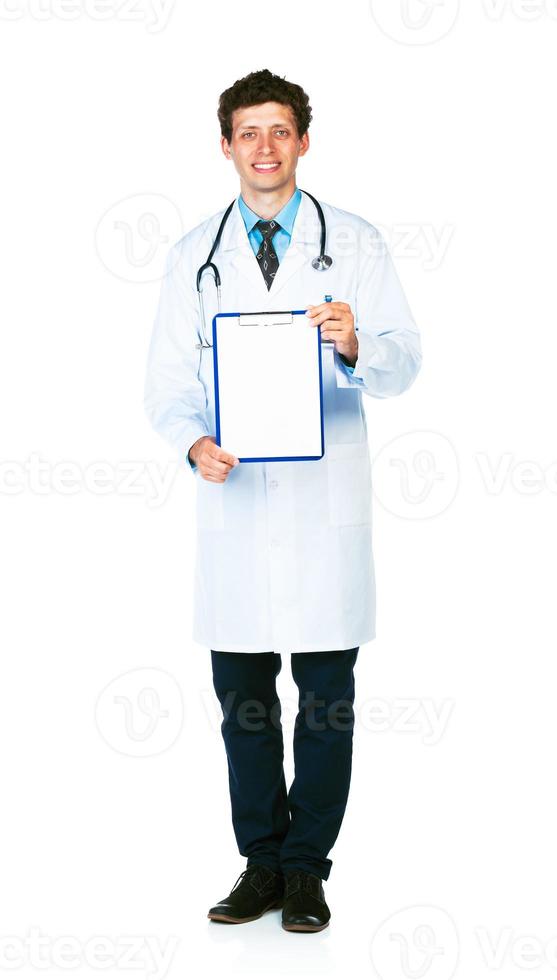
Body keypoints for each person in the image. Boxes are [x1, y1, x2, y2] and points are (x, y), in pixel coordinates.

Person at [144, 68, 422, 933]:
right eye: (247, 132)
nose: (264, 147)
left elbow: (405, 361)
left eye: (280, 130)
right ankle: (260, 863)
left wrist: (356, 343)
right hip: (235, 509)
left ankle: (307, 871)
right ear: (224, 144)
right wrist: (194, 444)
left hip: (321, 509)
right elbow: (166, 382)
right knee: (246, 706)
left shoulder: (359, 244)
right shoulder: (194, 251)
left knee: (327, 704)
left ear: (303, 139)